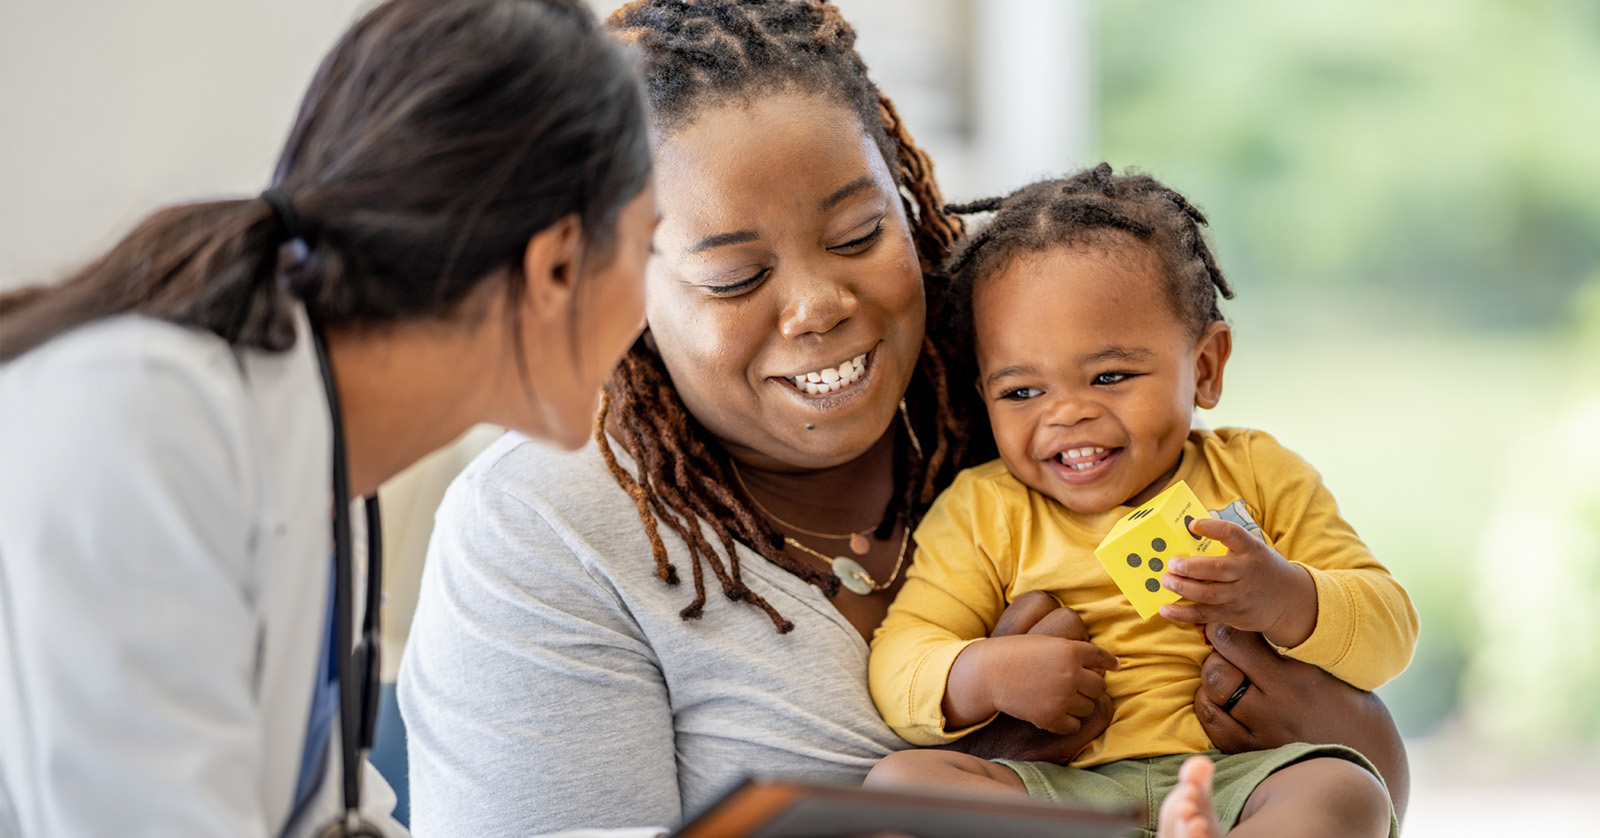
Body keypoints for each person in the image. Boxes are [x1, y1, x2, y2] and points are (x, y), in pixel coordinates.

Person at [398, 2, 1414, 836]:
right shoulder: (546, 530)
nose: (818, 305)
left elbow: (1356, 764)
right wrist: (990, 769)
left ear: (909, 194)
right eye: (735, 274)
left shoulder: (1027, 397)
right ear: (626, 283)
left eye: (856, 233)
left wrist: (1332, 719)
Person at [0, 1, 657, 835]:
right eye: (650, 246)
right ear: (557, 264)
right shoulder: (141, 425)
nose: (649, 309)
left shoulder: (328, 470)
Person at [863, 166, 1419, 838]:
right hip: (1059, 794)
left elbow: (1389, 633)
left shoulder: (1258, 473)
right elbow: (899, 663)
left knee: (1344, 790)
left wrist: (1284, 595)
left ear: (1206, 367)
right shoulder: (985, 511)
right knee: (900, 785)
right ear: (984, 394)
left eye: (1110, 376)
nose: (1066, 414)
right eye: (1021, 392)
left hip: (1239, 784)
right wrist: (984, 674)